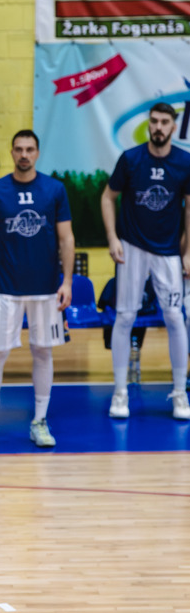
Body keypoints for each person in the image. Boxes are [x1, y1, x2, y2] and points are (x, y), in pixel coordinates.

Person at [0, 129, 74, 451]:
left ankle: (40, 421)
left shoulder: (55, 189)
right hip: (5, 289)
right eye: (19, 149)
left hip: (46, 289)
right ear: (12, 152)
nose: (24, 154)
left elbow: (66, 239)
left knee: (43, 352)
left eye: (30, 149)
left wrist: (67, 282)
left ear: (37, 153)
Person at [101, 102, 190, 420]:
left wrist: (188, 251)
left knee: (175, 317)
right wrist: (112, 238)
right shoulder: (131, 158)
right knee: (125, 317)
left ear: (174, 126)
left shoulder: (184, 161)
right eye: (154, 121)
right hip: (132, 248)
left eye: (165, 122)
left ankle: (179, 393)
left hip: (168, 252)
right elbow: (107, 197)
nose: (158, 127)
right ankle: (120, 392)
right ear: (149, 124)